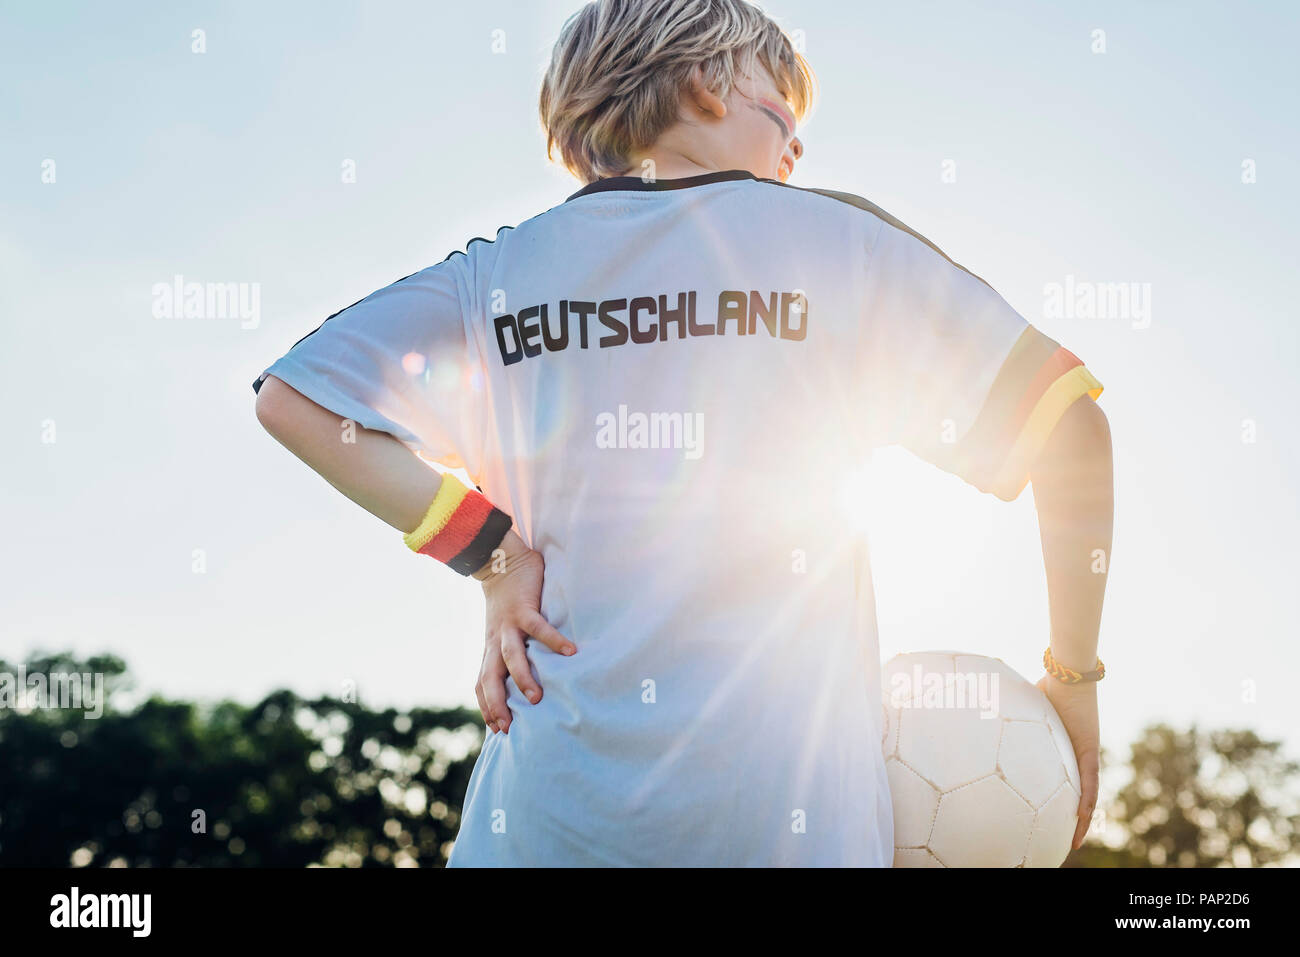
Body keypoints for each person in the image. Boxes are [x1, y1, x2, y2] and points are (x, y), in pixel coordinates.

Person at [253, 0, 1111, 866]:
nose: (797, 146)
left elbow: (294, 400)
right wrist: (1074, 679)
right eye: (783, 110)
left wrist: (496, 556)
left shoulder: (496, 276)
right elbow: (1069, 427)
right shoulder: (832, 241)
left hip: (539, 831)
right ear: (707, 84)